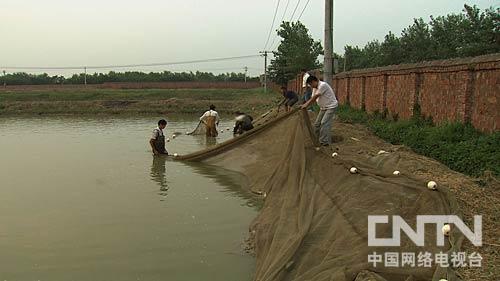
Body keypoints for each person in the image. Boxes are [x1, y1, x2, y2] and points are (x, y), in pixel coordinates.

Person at [301, 75, 338, 146]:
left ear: (314, 81)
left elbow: (315, 97)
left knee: (324, 123)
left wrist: (306, 105)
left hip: (331, 107)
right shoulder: (315, 88)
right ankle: (316, 140)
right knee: (317, 124)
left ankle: (324, 142)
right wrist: (304, 104)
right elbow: (312, 98)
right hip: (323, 108)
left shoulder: (322, 85)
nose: (311, 86)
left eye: (311, 84)